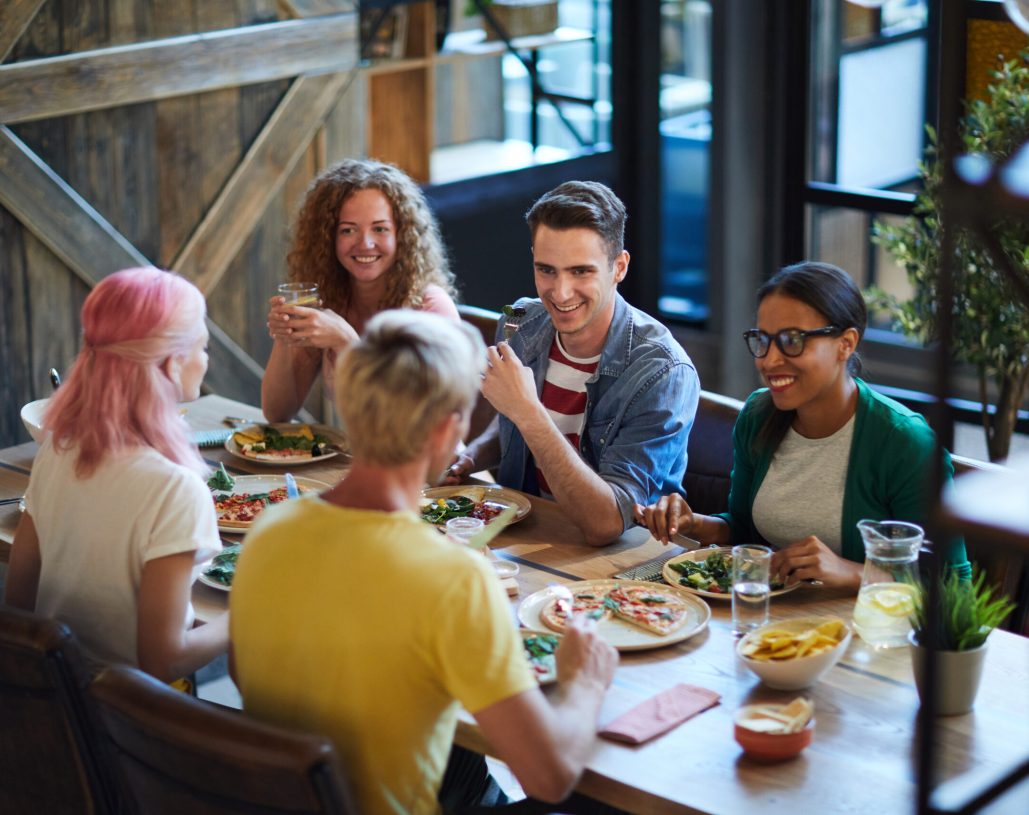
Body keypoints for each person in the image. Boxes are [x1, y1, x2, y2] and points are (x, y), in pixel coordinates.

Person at [230, 311, 618, 815]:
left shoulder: (267, 532)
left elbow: (244, 676)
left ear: (349, 405)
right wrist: (584, 683)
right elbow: (549, 777)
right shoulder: (454, 579)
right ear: (445, 432)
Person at [636, 261, 972, 590]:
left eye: (792, 340)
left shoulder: (904, 442)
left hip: (863, 635)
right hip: (773, 625)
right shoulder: (758, 414)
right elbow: (743, 529)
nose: (769, 360)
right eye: (763, 340)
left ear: (846, 343)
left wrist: (851, 571)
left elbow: (952, 585)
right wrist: (696, 524)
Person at [4, 267, 228, 682]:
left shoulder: (58, 449)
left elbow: (18, 602)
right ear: (171, 364)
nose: (206, 359)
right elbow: (164, 660)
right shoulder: (176, 489)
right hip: (132, 726)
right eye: (202, 346)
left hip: (56, 704)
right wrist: (243, 616)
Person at [446, 181, 700, 546]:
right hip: (526, 538)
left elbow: (607, 524)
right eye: (546, 270)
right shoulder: (520, 322)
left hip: (623, 567)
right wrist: (471, 456)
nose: (560, 292)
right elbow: (511, 422)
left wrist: (528, 412)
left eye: (581, 271)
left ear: (619, 267)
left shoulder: (663, 372)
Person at [261, 158, 460, 422]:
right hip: (352, 459)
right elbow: (278, 412)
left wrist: (348, 343)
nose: (365, 244)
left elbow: (424, 426)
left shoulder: (430, 308)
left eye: (380, 229)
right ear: (327, 238)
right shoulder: (329, 299)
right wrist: (285, 337)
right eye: (347, 230)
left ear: (402, 235)